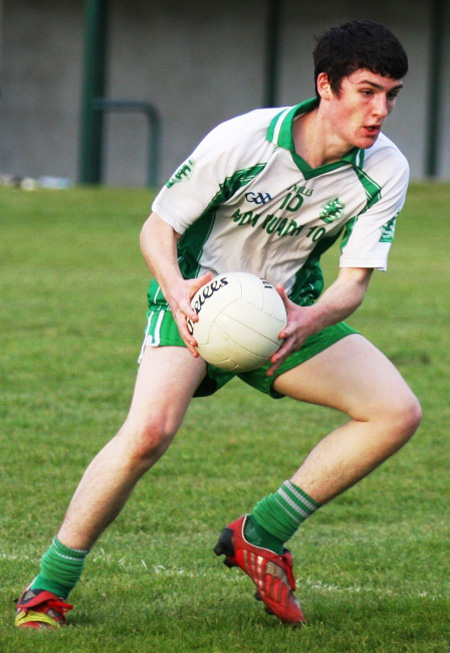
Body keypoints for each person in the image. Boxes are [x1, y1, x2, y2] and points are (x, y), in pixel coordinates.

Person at [15, 19, 421, 628]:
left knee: (396, 412)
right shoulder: (246, 139)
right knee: (149, 432)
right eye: (367, 91)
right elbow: (158, 228)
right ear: (326, 86)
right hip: (195, 299)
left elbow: (353, 284)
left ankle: (260, 533)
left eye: (391, 95)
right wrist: (177, 292)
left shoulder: (384, 169)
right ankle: (48, 587)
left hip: (286, 316)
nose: (381, 110)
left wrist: (309, 318)